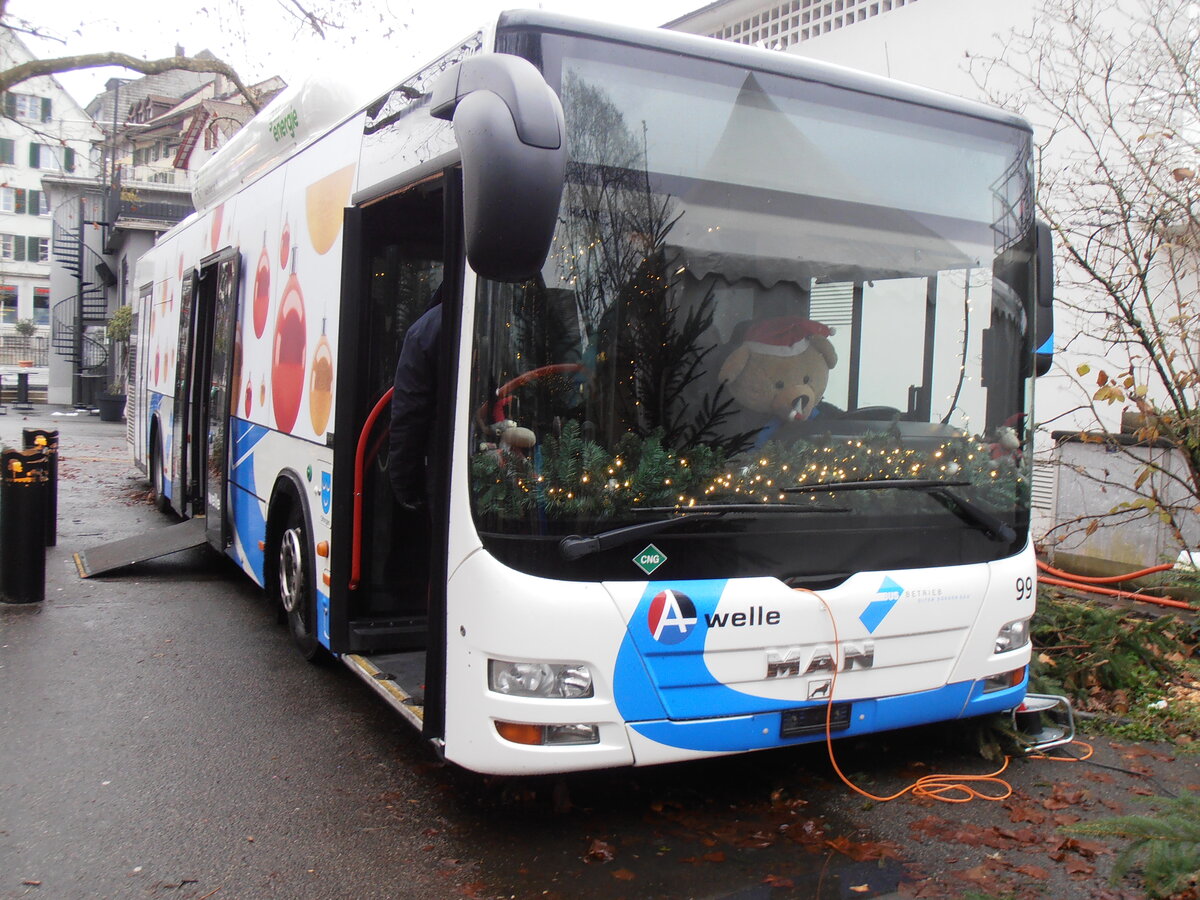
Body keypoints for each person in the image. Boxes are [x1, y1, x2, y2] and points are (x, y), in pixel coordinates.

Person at [388, 289, 442, 511]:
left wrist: (405, 486)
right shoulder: (502, 318)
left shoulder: (426, 329)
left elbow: (409, 415)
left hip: (443, 474)